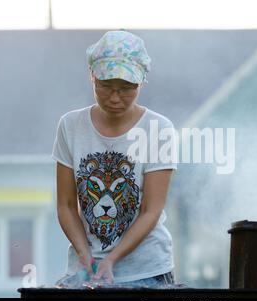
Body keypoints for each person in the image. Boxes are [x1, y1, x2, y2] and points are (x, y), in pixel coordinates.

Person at [51, 30, 177, 287]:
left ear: (141, 82)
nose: (115, 97)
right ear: (92, 77)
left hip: (145, 272)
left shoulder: (159, 129)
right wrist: (85, 255)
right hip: (85, 269)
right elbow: (65, 204)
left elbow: (151, 210)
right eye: (106, 86)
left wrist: (112, 260)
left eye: (126, 88)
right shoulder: (70, 126)